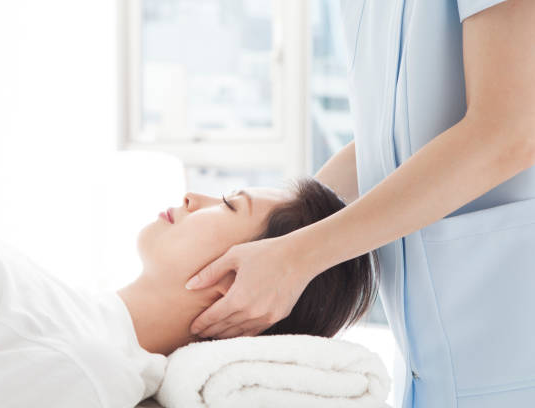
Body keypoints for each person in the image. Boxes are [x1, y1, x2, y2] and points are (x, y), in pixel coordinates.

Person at [185, 1, 535, 408]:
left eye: (229, 202)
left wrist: (297, 255)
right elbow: (395, 139)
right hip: (434, 375)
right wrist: (290, 229)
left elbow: (511, 130)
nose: (190, 202)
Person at [0, 177, 379, 408]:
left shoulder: (83, 368)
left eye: (227, 204)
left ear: (244, 283)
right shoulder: (72, 319)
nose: (190, 197)